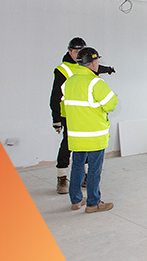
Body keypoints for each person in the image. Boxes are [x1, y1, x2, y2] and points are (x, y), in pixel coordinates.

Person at [50, 37, 115, 194]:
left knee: (83, 150)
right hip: (71, 114)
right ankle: (62, 177)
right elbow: (55, 96)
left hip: (86, 114)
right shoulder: (63, 69)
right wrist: (57, 118)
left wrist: (108, 69)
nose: (79, 54)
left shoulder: (85, 67)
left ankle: (80, 186)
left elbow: (95, 68)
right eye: (76, 51)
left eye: (81, 51)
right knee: (68, 145)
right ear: (69, 51)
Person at [63, 47, 117, 213]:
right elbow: (111, 103)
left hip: (76, 134)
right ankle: (93, 203)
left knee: (77, 167)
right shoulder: (95, 82)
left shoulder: (69, 82)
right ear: (93, 63)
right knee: (94, 169)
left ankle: (76, 200)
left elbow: (64, 108)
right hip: (94, 135)